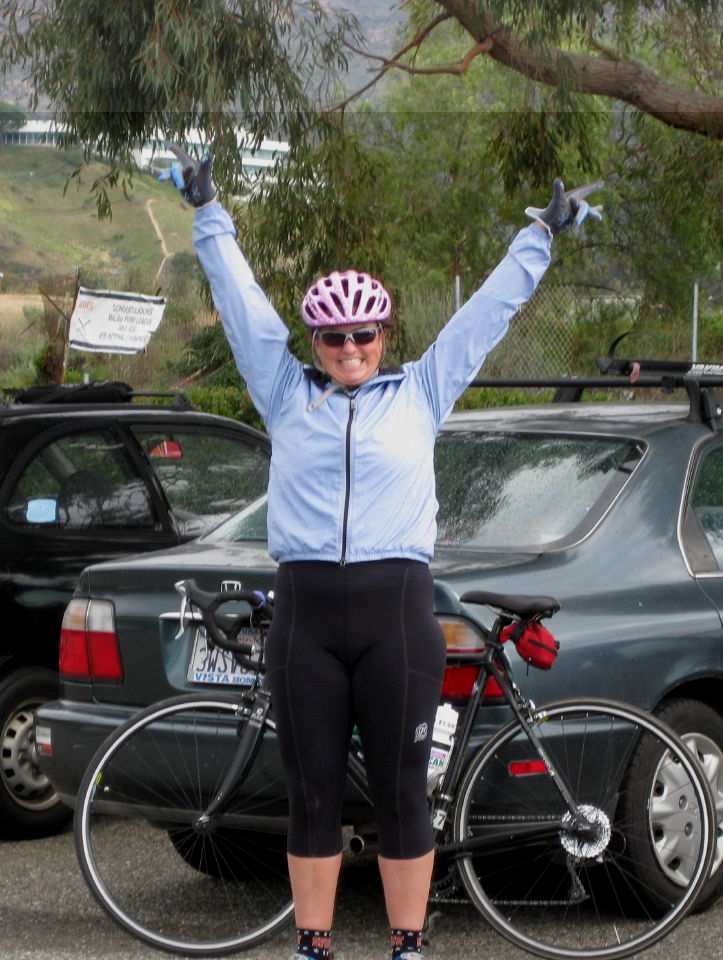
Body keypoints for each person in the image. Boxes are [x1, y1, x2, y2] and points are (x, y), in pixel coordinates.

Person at [162, 145, 602, 960]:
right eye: (333, 336)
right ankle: (314, 945)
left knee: (403, 791)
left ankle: (407, 945)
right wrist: (208, 214)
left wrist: (540, 235)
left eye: (363, 333)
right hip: (306, 617)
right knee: (312, 794)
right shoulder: (284, 393)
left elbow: (485, 318)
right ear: (315, 340)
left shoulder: (421, 392)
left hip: (396, 615)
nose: (349, 347)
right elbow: (242, 305)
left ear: (383, 334)